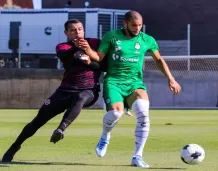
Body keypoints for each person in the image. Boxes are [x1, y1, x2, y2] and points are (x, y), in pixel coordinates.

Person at [77, 11, 181, 168]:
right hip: (114, 81)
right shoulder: (112, 36)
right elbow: (98, 57)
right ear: (125, 23)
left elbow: (159, 60)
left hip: (135, 83)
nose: (137, 28)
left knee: (143, 114)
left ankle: (137, 156)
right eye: (134, 25)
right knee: (115, 113)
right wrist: (86, 49)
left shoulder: (147, 40)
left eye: (140, 25)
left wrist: (171, 79)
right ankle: (105, 135)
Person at [1, 19, 102, 162]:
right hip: (65, 90)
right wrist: (77, 47)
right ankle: (14, 147)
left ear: (83, 30)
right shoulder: (63, 46)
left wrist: (90, 60)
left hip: (89, 90)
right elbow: (65, 57)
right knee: (37, 121)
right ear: (66, 33)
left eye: (79, 29)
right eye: (72, 30)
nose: (77, 32)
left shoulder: (95, 43)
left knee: (80, 97)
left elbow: (103, 66)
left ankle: (60, 129)